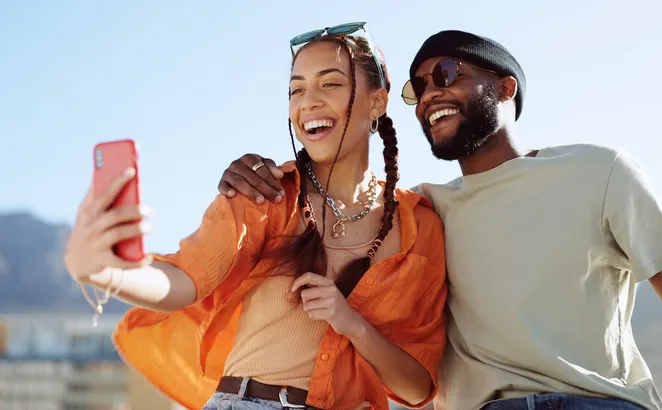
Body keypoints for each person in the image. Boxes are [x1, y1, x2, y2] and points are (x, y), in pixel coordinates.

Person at [217, 30, 662, 410]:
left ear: (505, 87)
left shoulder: (598, 170)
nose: (429, 95)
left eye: (446, 75)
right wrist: (255, 169)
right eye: (417, 89)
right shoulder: (421, 212)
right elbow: (333, 200)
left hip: (599, 403)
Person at [64, 23, 448, 410]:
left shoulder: (420, 228)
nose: (308, 102)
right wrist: (106, 271)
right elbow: (184, 279)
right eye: (296, 89)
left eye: (329, 84)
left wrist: (352, 324)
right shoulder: (263, 195)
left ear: (377, 103)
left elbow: (417, 387)